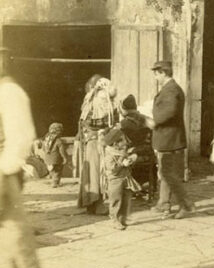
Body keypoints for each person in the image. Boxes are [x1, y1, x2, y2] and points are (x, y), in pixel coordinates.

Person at [0, 59, 44, 268]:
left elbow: (20, 139)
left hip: (2, 176)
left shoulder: (9, 92)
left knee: (6, 249)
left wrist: (4, 173)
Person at [150, 61, 195, 219]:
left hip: (170, 139)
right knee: (166, 173)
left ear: (163, 73)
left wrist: (153, 119)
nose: (155, 77)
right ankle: (164, 204)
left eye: (156, 73)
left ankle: (186, 206)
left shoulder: (171, 90)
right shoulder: (170, 89)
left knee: (171, 175)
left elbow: (169, 112)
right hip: (169, 138)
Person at [77, 77, 119, 214]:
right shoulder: (97, 102)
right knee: (97, 173)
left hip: (93, 141)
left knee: (92, 173)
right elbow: (97, 123)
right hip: (97, 142)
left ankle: (90, 204)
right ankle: (97, 204)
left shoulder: (90, 101)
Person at [103, 128, 140, 230]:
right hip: (115, 181)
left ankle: (122, 218)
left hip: (125, 178)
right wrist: (122, 163)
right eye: (123, 140)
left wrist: (131, 159)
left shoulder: (122, 151)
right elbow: (113, 169)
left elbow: (127, 161)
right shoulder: (110, 154)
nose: (125, 142)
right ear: (116, 143)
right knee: (116, 200)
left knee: (126, 199)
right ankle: (114, 220)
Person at [41, 123, 67, 188]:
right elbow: (61, 151)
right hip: (56, 159)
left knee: (52, 171)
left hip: (47, 159)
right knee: (57, 171)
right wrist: (64, 158)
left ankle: (53, 181)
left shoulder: (45, 139)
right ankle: (55, 183)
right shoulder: (58, 140)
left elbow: (43, 148)